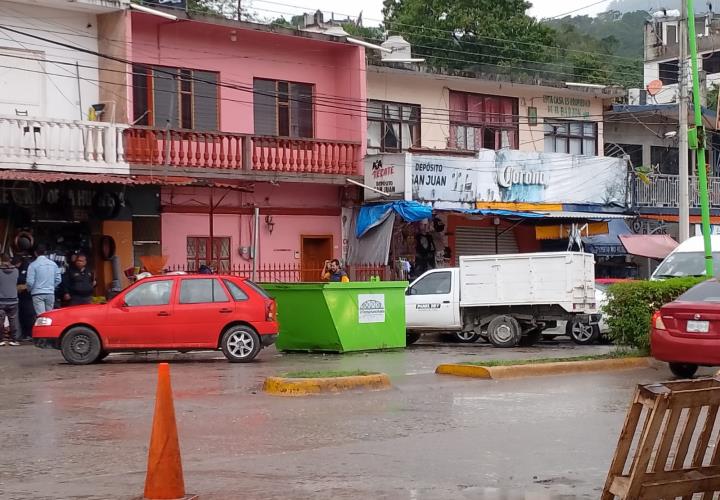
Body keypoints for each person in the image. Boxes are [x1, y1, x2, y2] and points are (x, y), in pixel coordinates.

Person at [27, 244, 62, 315]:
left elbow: (30, 282)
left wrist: (29, 289)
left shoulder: (33, 265)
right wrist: (51, 287)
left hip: (37, 293)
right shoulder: (53, 264)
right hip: (50, 293)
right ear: (45, 252)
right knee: (49, 316)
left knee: (41, 316)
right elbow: (58, 279)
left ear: (35, 253)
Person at [12, 256, 34, 341]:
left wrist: (23, 286)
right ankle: (24, 334)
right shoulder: (17, 269)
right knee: (21, 315)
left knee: (29, 315)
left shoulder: (28, 267)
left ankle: (30, 334)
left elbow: (29, 280)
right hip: (20, 296)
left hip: (27, 295)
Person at [0, 254, 20, 346]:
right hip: (13, 299)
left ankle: (1, 340)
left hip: (1, 300)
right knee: (13, 320)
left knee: (0, 320)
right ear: (10, 260)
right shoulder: (16, 271)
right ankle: (14, 339)